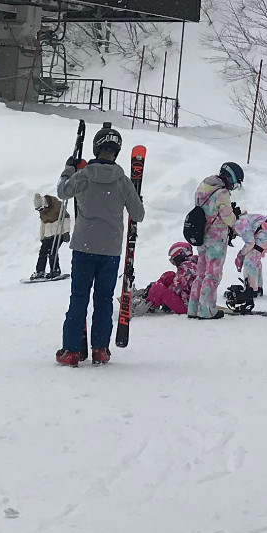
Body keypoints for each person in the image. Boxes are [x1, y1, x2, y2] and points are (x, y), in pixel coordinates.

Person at [54, 122, 146, 365]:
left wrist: (68, 170)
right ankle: (100, 349)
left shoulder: (82, 176)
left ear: (96, 148)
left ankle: (71, 350)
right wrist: (136, 198)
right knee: (104, 299)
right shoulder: (123, 181)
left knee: (79, 298)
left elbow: (63, 192)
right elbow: (139, 214)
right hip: (111, 250)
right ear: (116, 152)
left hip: (84, 246)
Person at [186, 161, 244, 320]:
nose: (233, 186)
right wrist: (236, 217)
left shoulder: (204, 186)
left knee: (201, 272)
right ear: (231, 178)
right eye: (235, 183)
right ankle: (206, 310)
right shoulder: (222, 193)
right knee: (213, 274)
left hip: (201, 235)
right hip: (216, 238)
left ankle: (193, 307)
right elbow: (227, 219)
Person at [233, 212, 267, 299]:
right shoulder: (244, 218)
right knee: (255, 260)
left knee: (250, 260)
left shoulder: (238, 223)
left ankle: (251, 290)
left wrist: (240, 255)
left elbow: (250, 243)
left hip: (266, 234)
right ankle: (258, 287)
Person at [144, 242, 197, 315]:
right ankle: (149, 294)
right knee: (169, 275)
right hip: (191, 301)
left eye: (173, 261)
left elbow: (176, 289)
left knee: (158, 289)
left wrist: (161, 294)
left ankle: (147, 302)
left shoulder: (186, 268)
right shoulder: (193, 264)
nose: (174, 264)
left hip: (188, 307)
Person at [32, 190, 70, 279]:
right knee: (43, 252)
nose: (40, 211)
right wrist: (42, 236)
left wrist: (66, 232)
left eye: (40, 209)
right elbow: (43, 224)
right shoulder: (42, 211)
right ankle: (40, 271)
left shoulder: (57, 205)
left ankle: (55, 270)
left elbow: (66, 218)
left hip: (58, 232)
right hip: (48, 234)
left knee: (52, 251)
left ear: (44, 204)